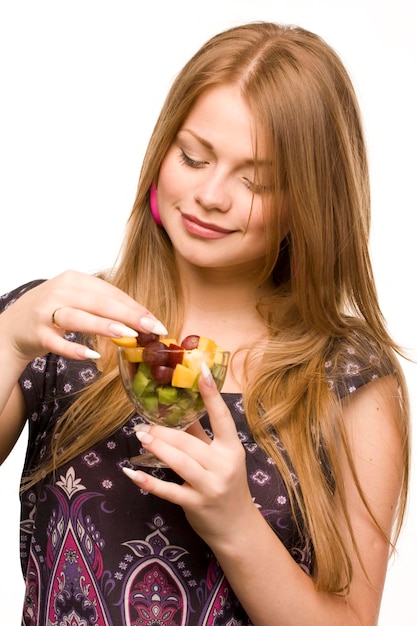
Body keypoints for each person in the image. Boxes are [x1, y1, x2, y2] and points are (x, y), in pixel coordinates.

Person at [0, 21, 410, 626]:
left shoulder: (349, 379)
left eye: (256, 181)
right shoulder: (61, 325)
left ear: (311, 201)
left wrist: (237, 524)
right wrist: (8, 340)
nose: (211, 193)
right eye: (193, 156)